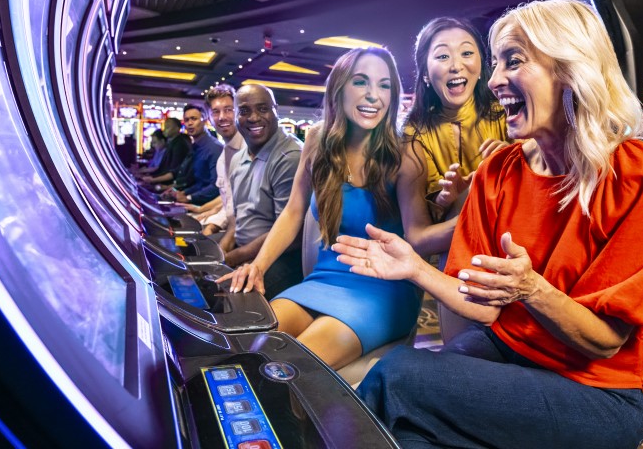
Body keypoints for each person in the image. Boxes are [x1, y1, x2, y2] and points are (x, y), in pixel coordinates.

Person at [332, 0, 643, 449]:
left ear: (570, 68)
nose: (493, 80)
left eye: (513, 61)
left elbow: (604, 342)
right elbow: (486, 307)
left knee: (397, 375)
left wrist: (532, 289)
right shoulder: (499, 170)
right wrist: (415, 267)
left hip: (597, 392)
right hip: (510, 348)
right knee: (409, 429)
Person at [220, 47, 454, 369]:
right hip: (323, 279)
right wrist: (258, 266)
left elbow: (418, 237)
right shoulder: (316, 140)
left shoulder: (405, 154)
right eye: (361, 82)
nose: (374, 95)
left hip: (382, 290)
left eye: (384, 85)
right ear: (339, 87)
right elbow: (293, 212)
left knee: (288, 366)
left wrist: (471, 216)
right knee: (246, 346)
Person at [405, 16, 508, 221]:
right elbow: (421, 224)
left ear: (481, 65)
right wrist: (446, 199)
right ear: (425, 73)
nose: (456, 66)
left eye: (467, 53)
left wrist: (514, 159)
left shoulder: (507, 113)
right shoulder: (414, 133)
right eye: (443, 56)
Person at [221, 84, 303, 299]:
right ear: (236, 115)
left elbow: (292, 233)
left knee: (229, 297)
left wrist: (234, 258)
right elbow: (237, 218)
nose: (254, 118)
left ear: (276, 111)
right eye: (245, 111)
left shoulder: (290, 156)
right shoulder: (238, 157)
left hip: (281, 257)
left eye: (263, 109)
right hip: (244, 249)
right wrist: (221, 251)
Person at [181, 85, 245, 237]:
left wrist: (211, 224)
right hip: (228, 224)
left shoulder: (247, 149)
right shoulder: (224, 154)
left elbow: (241, 207)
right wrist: (204, 211)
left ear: (238, 112)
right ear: (209, 118)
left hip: (243, 232)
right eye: (216, 112)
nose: (222, 117)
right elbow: (227, 198)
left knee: (186, 241)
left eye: (228, 109)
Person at [167, 104, 222, 205]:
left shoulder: (214, 148)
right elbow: (200, 183)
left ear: (205, 121)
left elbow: (217, 186)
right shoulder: (196, 146)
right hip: (197, 201)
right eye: (187, 120)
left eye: (194, 119)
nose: (190, 123)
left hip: (210, 206)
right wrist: (183, 193)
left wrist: (188, 197)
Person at [141, 117, 190, 187]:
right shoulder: (174, 142)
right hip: (166, 182)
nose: (165, 130)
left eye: (168, 127)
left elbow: (173, 170)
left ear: (177, 128)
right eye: (165, 127)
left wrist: (153, 179)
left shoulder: (180, 144)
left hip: (172, 185)